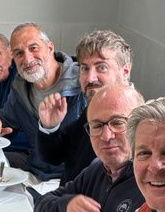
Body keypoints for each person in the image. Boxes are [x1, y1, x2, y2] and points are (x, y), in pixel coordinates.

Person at [32, 85, 145, 212]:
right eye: (97, 126)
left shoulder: (150, 184)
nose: (106, 135)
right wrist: (65, 208)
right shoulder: (97, 170)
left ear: (141, 125)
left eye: (118, 123)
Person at [0, 23, 82, 179]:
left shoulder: (82, 82)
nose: (27, 59)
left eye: (33, 48)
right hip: (35, 170)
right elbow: (6, 121)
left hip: (71, 179)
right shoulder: (20, 86)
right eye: (19, 53)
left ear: (50, 48)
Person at [38, 29, 135, 184]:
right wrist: (50, 127)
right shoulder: (92, 109)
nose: (90, 78)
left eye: (101, 67)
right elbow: (53, 158)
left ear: (125, 71)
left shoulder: (139, 122)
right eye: (85, 68)